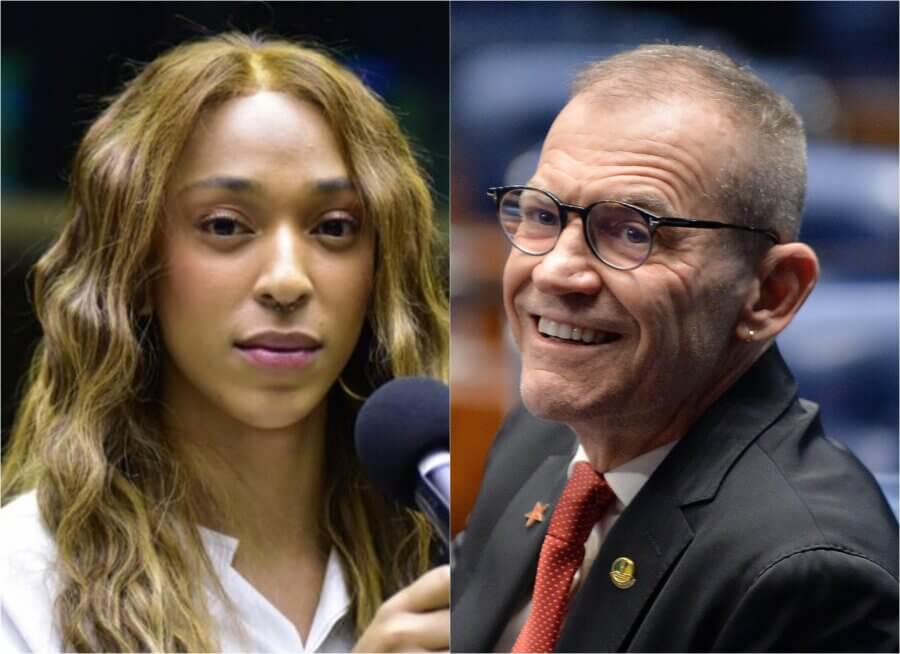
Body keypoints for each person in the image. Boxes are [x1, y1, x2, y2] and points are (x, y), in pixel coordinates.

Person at [1, 32, 449, 653]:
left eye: (335, 228)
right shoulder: (21, 584)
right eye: (225, 226)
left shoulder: (460, 548)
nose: (288, 280)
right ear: (135, 261)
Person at [452, 44, 898, 653]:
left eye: (633, 231)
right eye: (541, 214)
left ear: (771, 292)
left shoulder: (810, 580)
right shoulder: (542, 435)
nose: (556, 271)